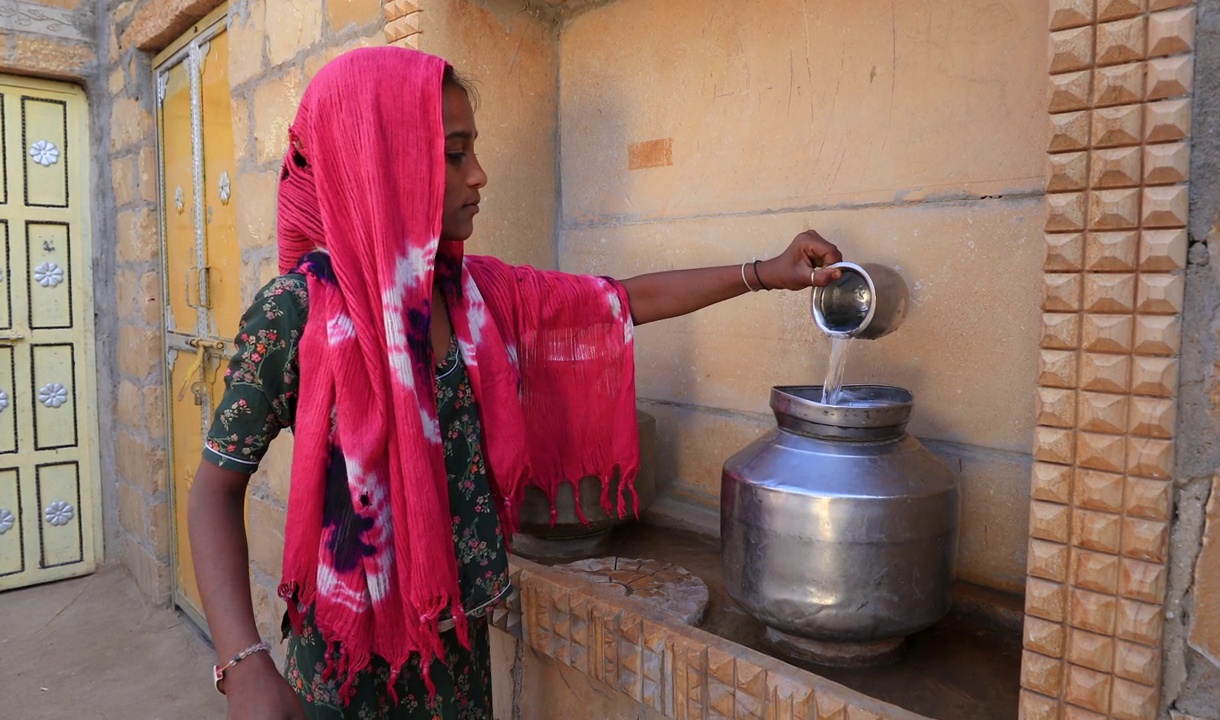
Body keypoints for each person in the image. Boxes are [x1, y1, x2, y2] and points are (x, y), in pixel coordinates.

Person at [187, 46, 843, 720]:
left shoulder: (474, 296)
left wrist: (765, 272)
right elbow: (215, 489)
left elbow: (618, 300)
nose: (480, 175)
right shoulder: (295, 312)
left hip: (458, 658)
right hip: (343, 673)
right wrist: (242, 664)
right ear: (383, 164)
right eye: (453, 154)